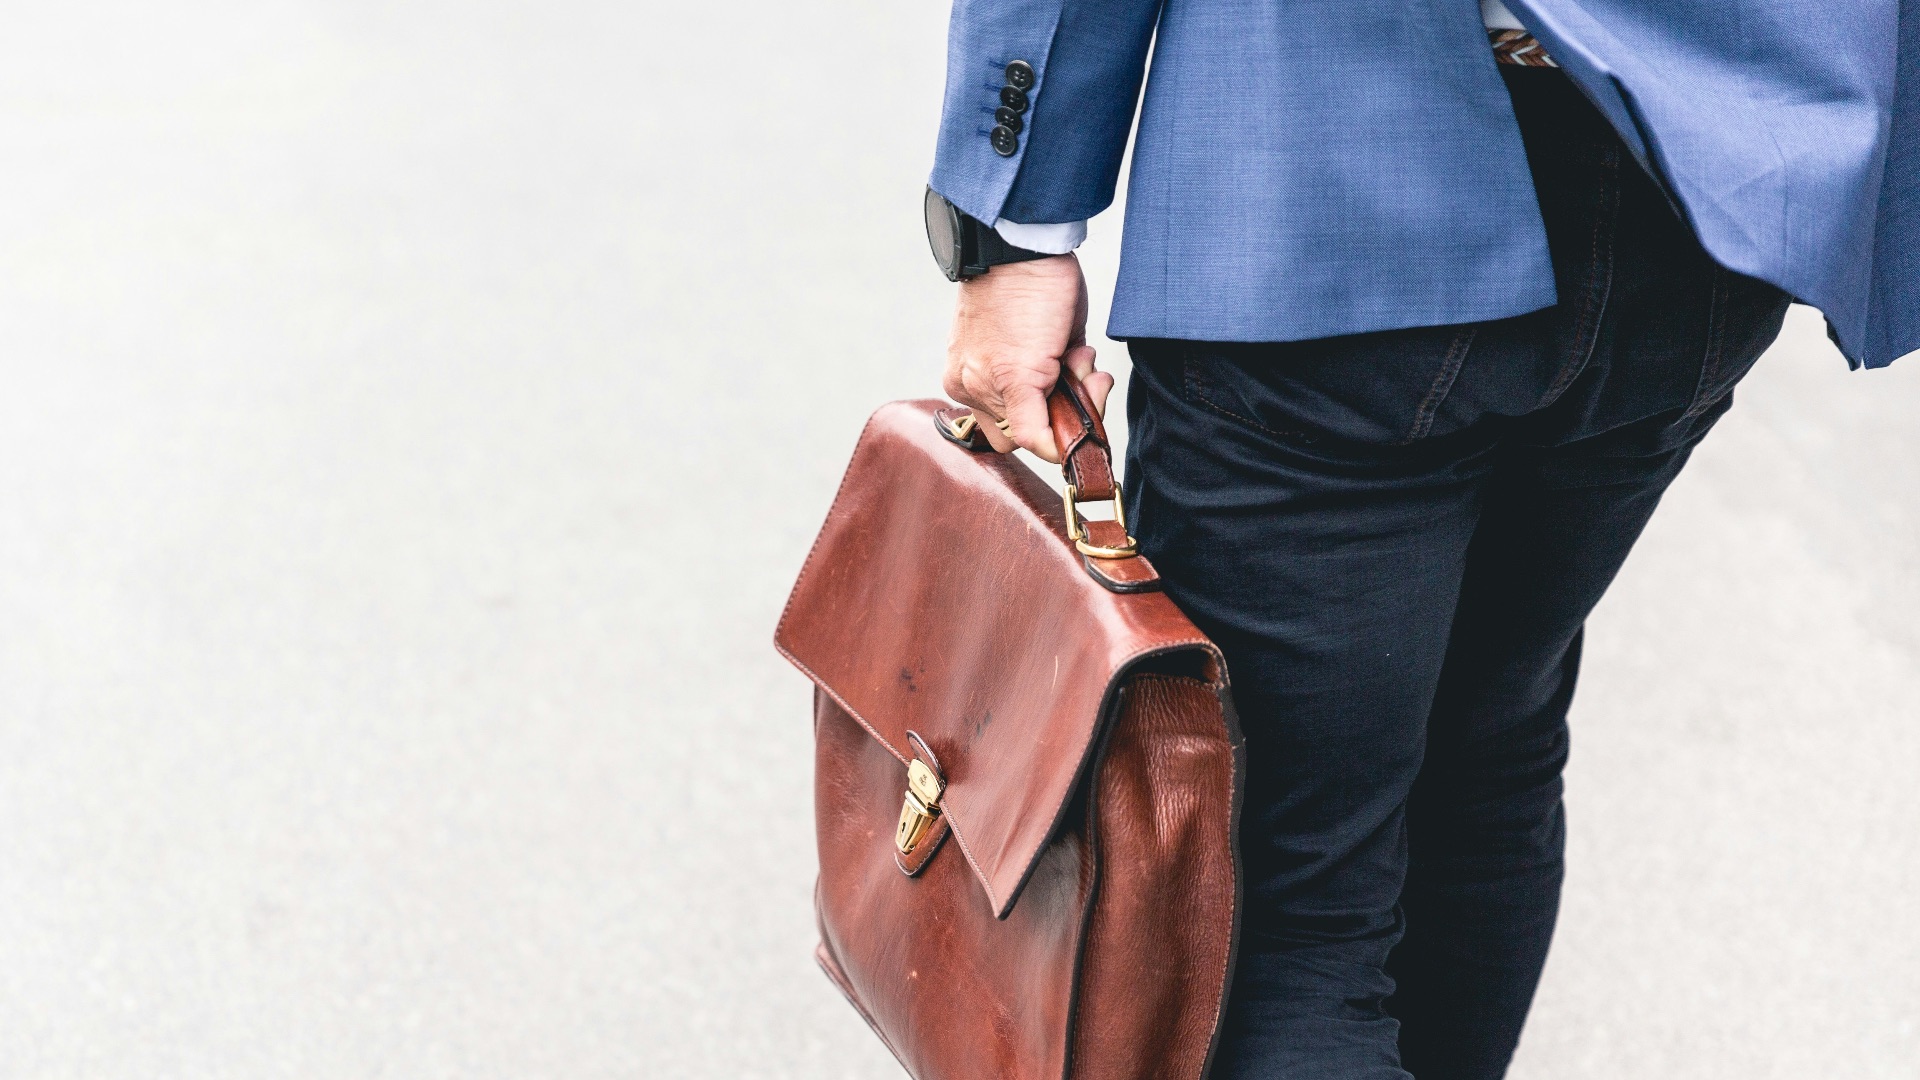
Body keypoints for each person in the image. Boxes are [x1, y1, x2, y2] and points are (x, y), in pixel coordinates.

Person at [921, 0, 1916, 1077]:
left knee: (1278, 886)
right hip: (1706, 185)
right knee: (1485, 746)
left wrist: (1011, 224)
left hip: (1334, 179)